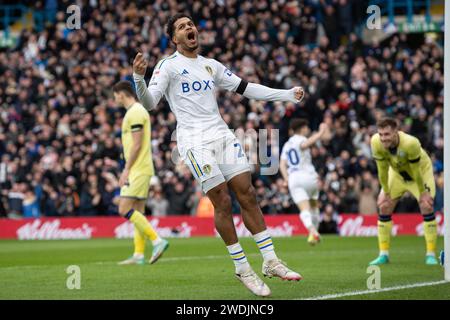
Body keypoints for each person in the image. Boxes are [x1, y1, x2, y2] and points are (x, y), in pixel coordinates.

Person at [133, 13, 303, 297]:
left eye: (191, 24)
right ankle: (242, 267)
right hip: (194, 141)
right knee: (222, 200)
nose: (190, 28)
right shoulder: (168, 66)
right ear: (174, 38)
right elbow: (149, 103)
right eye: (182, 27)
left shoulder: (211, 66)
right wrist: (138, 78)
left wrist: (284, 94)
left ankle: (271, 261)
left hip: (222, 134)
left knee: (247, 193)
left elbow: (246, 88)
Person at [112, 81, 169, 265]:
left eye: (115, 94)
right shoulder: (136, 111)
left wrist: (126, 169)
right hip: (142, 168)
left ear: (121, 94)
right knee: (138, 211)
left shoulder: (135, 112)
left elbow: (137, 144)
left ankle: (157, 241)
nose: (114, 99)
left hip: (137, 169)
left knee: (124, 208)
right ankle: (138, 254)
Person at [369, 117, 438, 265]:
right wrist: (385, 192)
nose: (383, 138)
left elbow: (416, 171)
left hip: (420, 173)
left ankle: (431, 254)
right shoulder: (375, 142)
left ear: (396, 132)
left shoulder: (411, 143)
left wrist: (423, 193)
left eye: (387, 134)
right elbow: (382, 170)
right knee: (384, 206)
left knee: (426, 206)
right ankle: (384, 254)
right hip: (397, 173)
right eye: (380, 134)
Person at [280, 119, 328, 245]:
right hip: (308, 176)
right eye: (306, 127)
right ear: (302, 129)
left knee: (304, 209)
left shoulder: (287, 144)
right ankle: (315, 232)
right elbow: (305, 144)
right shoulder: (300, 139)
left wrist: (286, 179)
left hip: (294, 179)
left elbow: (282, 164)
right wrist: (321, 132)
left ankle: (312, 231)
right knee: (313, 205)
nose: (307, 130)